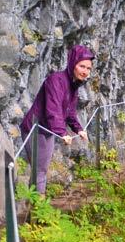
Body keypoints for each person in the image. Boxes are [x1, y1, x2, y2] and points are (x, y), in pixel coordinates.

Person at [20, 44, 95, 195]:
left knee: (41, 170)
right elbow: (52, 109)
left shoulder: (73, 85)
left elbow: (70, 112)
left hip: (47, 130)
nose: (85, 71)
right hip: (35, 128)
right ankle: (37, 210)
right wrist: (62, 132)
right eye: (82, 66)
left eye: (88, 68)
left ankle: (35, 209)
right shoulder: (56, 80)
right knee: (39, 171)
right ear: (73, 63)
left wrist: (78, 129)